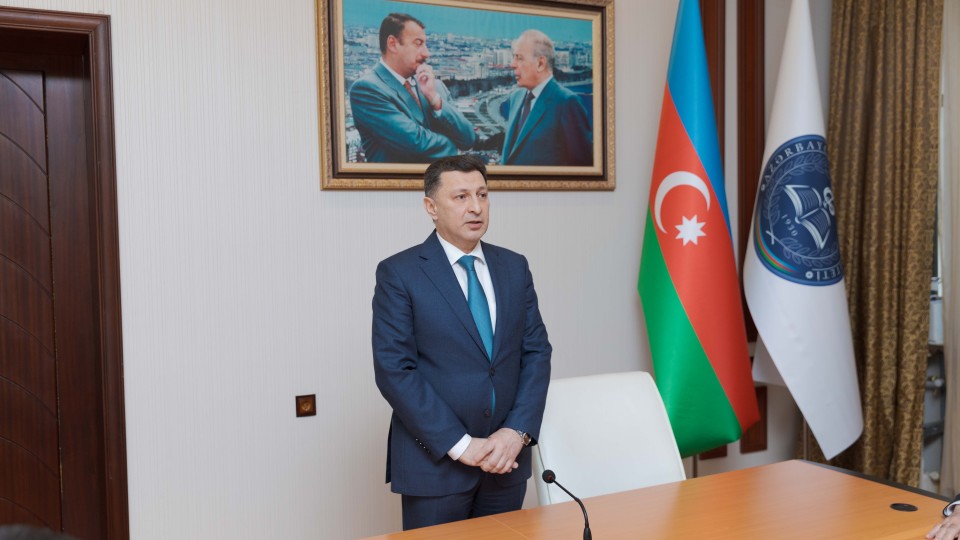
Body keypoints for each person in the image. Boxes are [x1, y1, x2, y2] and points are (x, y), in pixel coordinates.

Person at [371, 154, 552, 530]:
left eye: (482, 195)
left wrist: (516, 433)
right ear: (431, 207)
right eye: (461, 197)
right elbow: (395, 370)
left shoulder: (514, 266)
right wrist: (461, 444)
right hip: (436, 466)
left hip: (505, 462)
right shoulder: (399, 273)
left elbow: (536, 353)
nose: (476, 207)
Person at [350, 13, 476, 163]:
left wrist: (435, 100)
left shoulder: (435, 86)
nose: (427, 53)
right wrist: (457, 150)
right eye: (418, 43)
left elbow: (468, 138)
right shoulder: (367, 89)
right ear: (392, 44)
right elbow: (415, 142)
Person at [500, 29, 592, 166]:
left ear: (540, 64)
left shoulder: (567, 103)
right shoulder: (516, 97)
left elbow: (582, 167)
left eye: (519, 58)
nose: (512, 64)